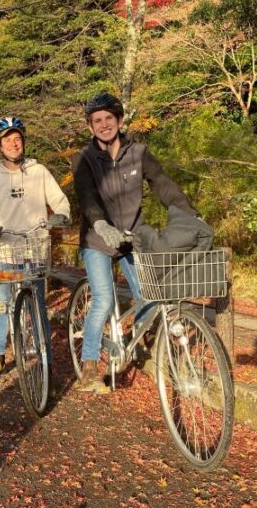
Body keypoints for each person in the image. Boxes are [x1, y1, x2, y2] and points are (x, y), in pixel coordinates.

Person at [72, 92, 200, 394]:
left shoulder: (139, 152)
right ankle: (90, 367)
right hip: (97, 239)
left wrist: (190, 214)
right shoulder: (84, 159)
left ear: (119, 120)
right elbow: (87, 195)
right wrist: (101, 224)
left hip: (132, 237)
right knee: (103, 298)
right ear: (91, 127)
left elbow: (163, 184)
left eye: (108, 118)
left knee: (149, 293)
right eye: (97, 121)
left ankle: (132, 340)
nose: (104, 125)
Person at [0, 117, 71, 383]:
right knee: (1, 305)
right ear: (0, 145)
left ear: (24, 141)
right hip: (4, 252)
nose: (14, 144)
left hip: (34, 250)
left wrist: (61, 214)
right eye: (7, 140)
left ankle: (46, 361)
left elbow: (59, 200)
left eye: (17, 139)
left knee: (37, 306)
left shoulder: (39, 172)